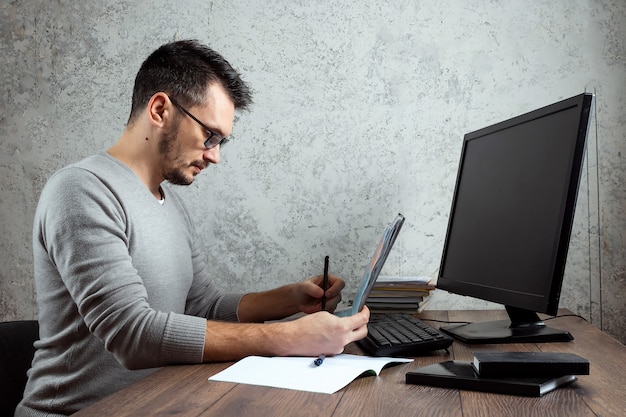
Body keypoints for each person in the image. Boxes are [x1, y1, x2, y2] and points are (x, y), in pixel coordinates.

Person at [16, 39, 370, 417]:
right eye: (210, 136)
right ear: (159, 110)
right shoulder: (80, 191)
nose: (215, 155)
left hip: (163, 404)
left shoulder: (169, 203)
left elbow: (201, 307)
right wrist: (288, 338)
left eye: (222, 142)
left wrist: (287, 300)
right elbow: (133, 335)